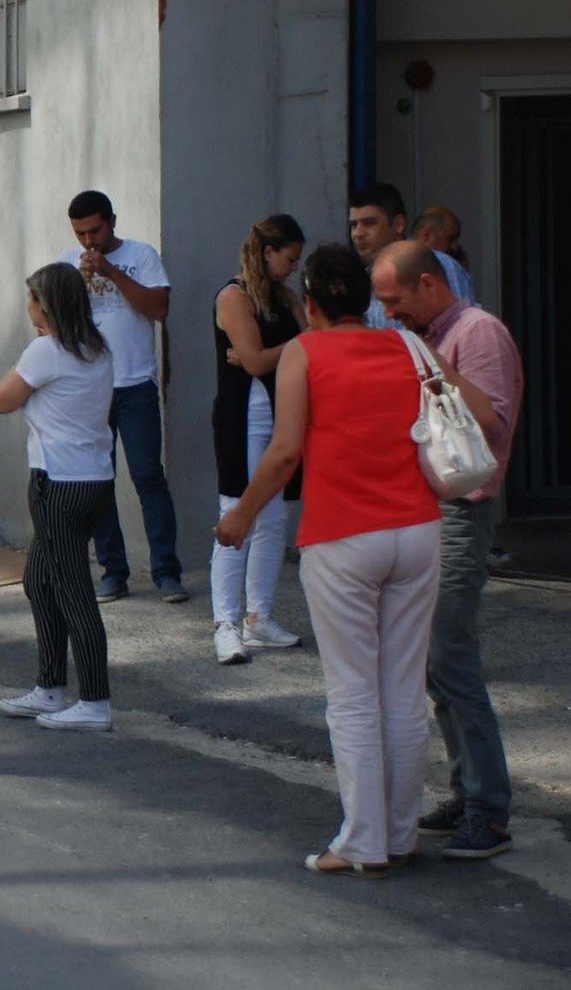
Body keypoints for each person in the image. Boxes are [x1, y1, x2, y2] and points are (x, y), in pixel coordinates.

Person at [216, 243, 495, 875]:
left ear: (310, 303)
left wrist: (241, 516)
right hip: (418, 528)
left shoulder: (302, 353)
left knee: (351, 696)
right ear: (366, 299)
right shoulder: (409, 347)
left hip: (343, 534)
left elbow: (285, 452)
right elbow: (482, 413)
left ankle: (364, 843)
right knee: (401, 691)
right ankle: (398, 835)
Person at [372, 241, 522, 860]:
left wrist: (429, 360)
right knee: (436, 665)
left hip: (462, 510)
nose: (388, 313)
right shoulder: (437, 329)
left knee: (454, 662)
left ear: (428, 284)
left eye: (393, 300)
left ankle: (489, 811)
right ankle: (468, 792)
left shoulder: (477, 332)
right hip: (432, 509)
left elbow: (489, 419)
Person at [0, 262, 118, 733]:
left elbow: (2, 399)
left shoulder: (46, 350)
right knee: (40, 581)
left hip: (57, 483)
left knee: (72, 591)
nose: (28, 310)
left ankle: (94, 701)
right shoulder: (97, 347)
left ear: (44, 305)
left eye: (31, 301)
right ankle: (48, 686)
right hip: (93, 479)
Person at [60, 190, 183, 605]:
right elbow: (51, 326)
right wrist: (73, 291)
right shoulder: (67, 263)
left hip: (135, 386)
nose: (88, 241)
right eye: (80, 233)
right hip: (91, 390)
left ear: (112, 220)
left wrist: (111, 272)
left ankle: (167, 571)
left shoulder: (141, 255)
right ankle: (114, 571)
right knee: (98, 481)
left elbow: (158, 309)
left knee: (148, 476)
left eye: (95, 230)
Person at [209, 214, 308, 664]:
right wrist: (296, 347)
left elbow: (300, 342)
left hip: (282, 414)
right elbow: (255, 362)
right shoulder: (233, 296)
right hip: (243, 417)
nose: (293, 267)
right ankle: (225, 625)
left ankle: (258, 618)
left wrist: (276, 352)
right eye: (288, 259)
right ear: (268, 252)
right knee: (237, 515)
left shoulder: (285, 298)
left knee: (273, 520)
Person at [348, 182, 475, 325]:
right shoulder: (361, 281)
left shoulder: (438, 264)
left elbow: (458, 331)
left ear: (398, 224)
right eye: (353, 225)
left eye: (370, 223)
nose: (358, 233)